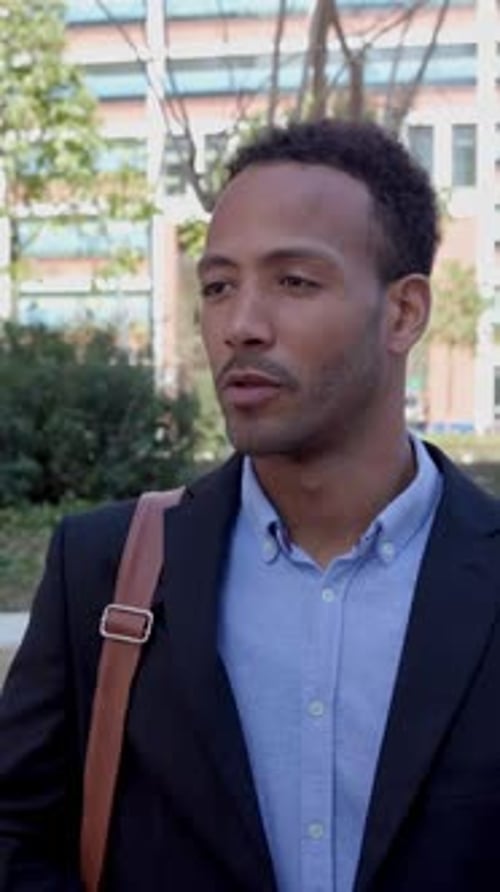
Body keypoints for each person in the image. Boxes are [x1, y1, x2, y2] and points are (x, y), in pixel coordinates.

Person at [1, 119, 500, 892]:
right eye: (218, 286)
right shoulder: (105, 571)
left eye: (294, 282)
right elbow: (19, 836)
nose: (240, 325)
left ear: (403, 313)